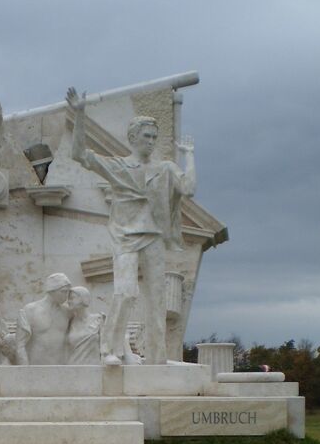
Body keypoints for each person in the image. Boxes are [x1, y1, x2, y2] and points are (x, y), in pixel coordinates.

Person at [66, 87, 196, 365]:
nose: (151, 141)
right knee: (125, 292)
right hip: (125, 236)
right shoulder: (119, 166)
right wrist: (80, 114)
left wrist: (190, 155)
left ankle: (157, 358)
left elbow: (189, 188)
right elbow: (79, 154)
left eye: (154, 137)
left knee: (157, 299)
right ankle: (109, 349)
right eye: (146, 136)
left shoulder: (165, 168)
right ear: (133, 138)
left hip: (153, 237)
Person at [16, 273, 72, 365]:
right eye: (63, 292)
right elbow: (20, 344)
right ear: (51, 290)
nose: (66, 296)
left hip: (61, 366)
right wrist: (25, 368)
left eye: (68, 292)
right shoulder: (30, 310)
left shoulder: (67, 312)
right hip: (36, 365)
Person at [66, 286, 104, 364]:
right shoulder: (69, 322)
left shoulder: (99, 319)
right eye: (68, 299)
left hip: (93, 367)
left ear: (83, 298)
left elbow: (106, 347)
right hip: (73, 366)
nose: (68, 301)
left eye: (72, 298)